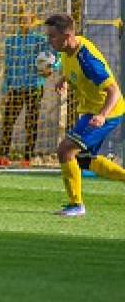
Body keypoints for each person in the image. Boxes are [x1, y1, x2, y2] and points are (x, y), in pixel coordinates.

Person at [43, 13, 125, 216]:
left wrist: (103, 115)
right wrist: (64, 79)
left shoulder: (88, 59)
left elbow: (113, 90)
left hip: (106, 111)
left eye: (52, 36)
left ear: (68, 35)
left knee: (65, 151)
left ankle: (76, 205)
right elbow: (70, 66)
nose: (49, 41)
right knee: (86, 159)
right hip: (91, 110)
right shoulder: (66, 49)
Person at [0, 10, 51, 168]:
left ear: (32, 21)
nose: (23, 21)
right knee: (8, 121)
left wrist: (51, 68)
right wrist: (5, 89)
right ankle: (3, 155)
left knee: (30, 123)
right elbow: (7, 66)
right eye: (21, 19)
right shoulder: (11, 42)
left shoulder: (40, 41)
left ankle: (28, 157)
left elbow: (54, 56)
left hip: (34, 87)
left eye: (27, 19)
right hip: (16, 87)